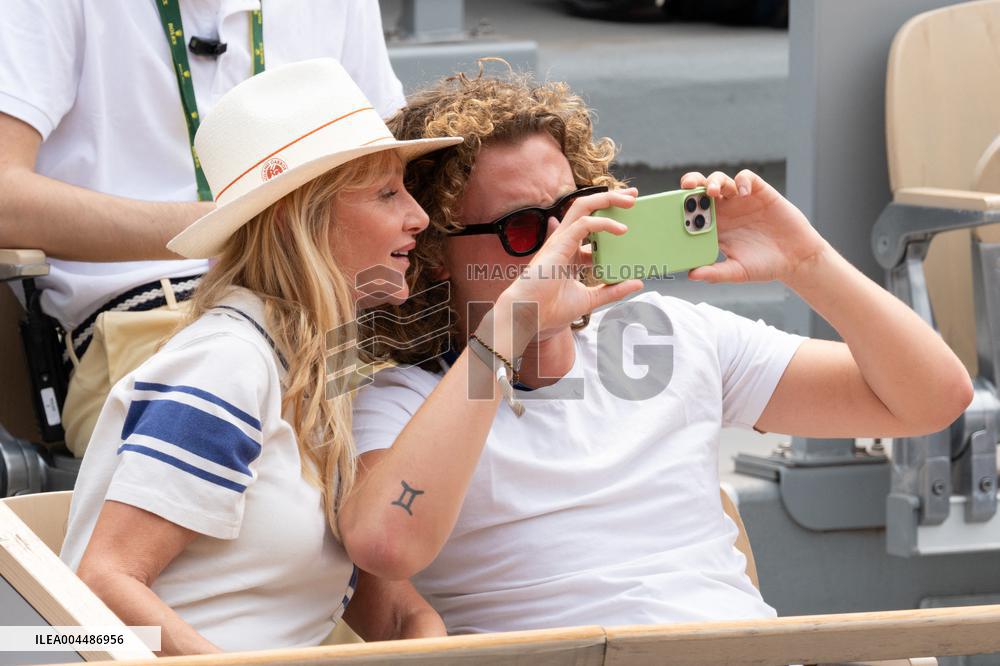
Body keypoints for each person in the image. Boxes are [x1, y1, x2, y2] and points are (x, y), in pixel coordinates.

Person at [347, 70, 974, 634]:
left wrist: (807, 262)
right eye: (522, 230)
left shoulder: (669, 335)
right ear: (433, 257)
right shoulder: (403, 400)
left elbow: (931, 401)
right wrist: (504, 337)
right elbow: (388, 546)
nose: (563, 246)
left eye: (573, 212)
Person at [59, 59, 462, 655]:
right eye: (386, 193)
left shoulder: (316, 365)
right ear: (299, 218)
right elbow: (102, 583)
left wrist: (427, 641)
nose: (418, 217)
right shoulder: (227, 365)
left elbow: (392, 614)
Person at [0, 0, 405, 456]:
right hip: (151, 322)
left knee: (444, 434)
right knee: (295, 477)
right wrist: (237, 227)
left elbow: (391, 172)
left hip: (333, 318)